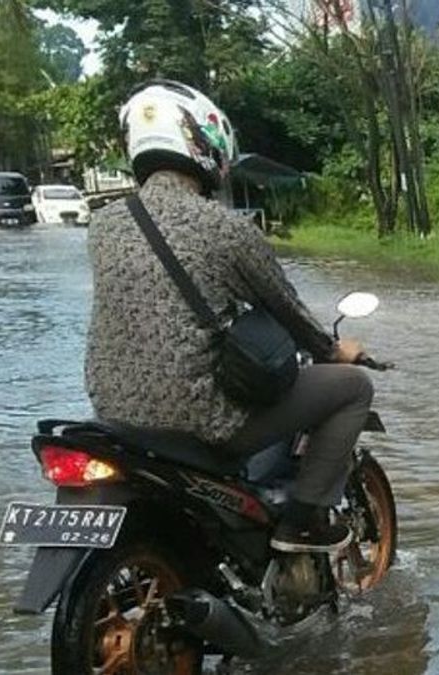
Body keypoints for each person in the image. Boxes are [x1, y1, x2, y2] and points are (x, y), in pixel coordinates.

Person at [85, 80, 370, 554]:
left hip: (111, 415)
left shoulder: (103, 226)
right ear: (206, 144)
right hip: (199, 419)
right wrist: (335, 351)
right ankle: (300, 523)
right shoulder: (227, 229)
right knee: (354, 389)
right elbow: (286, 309)